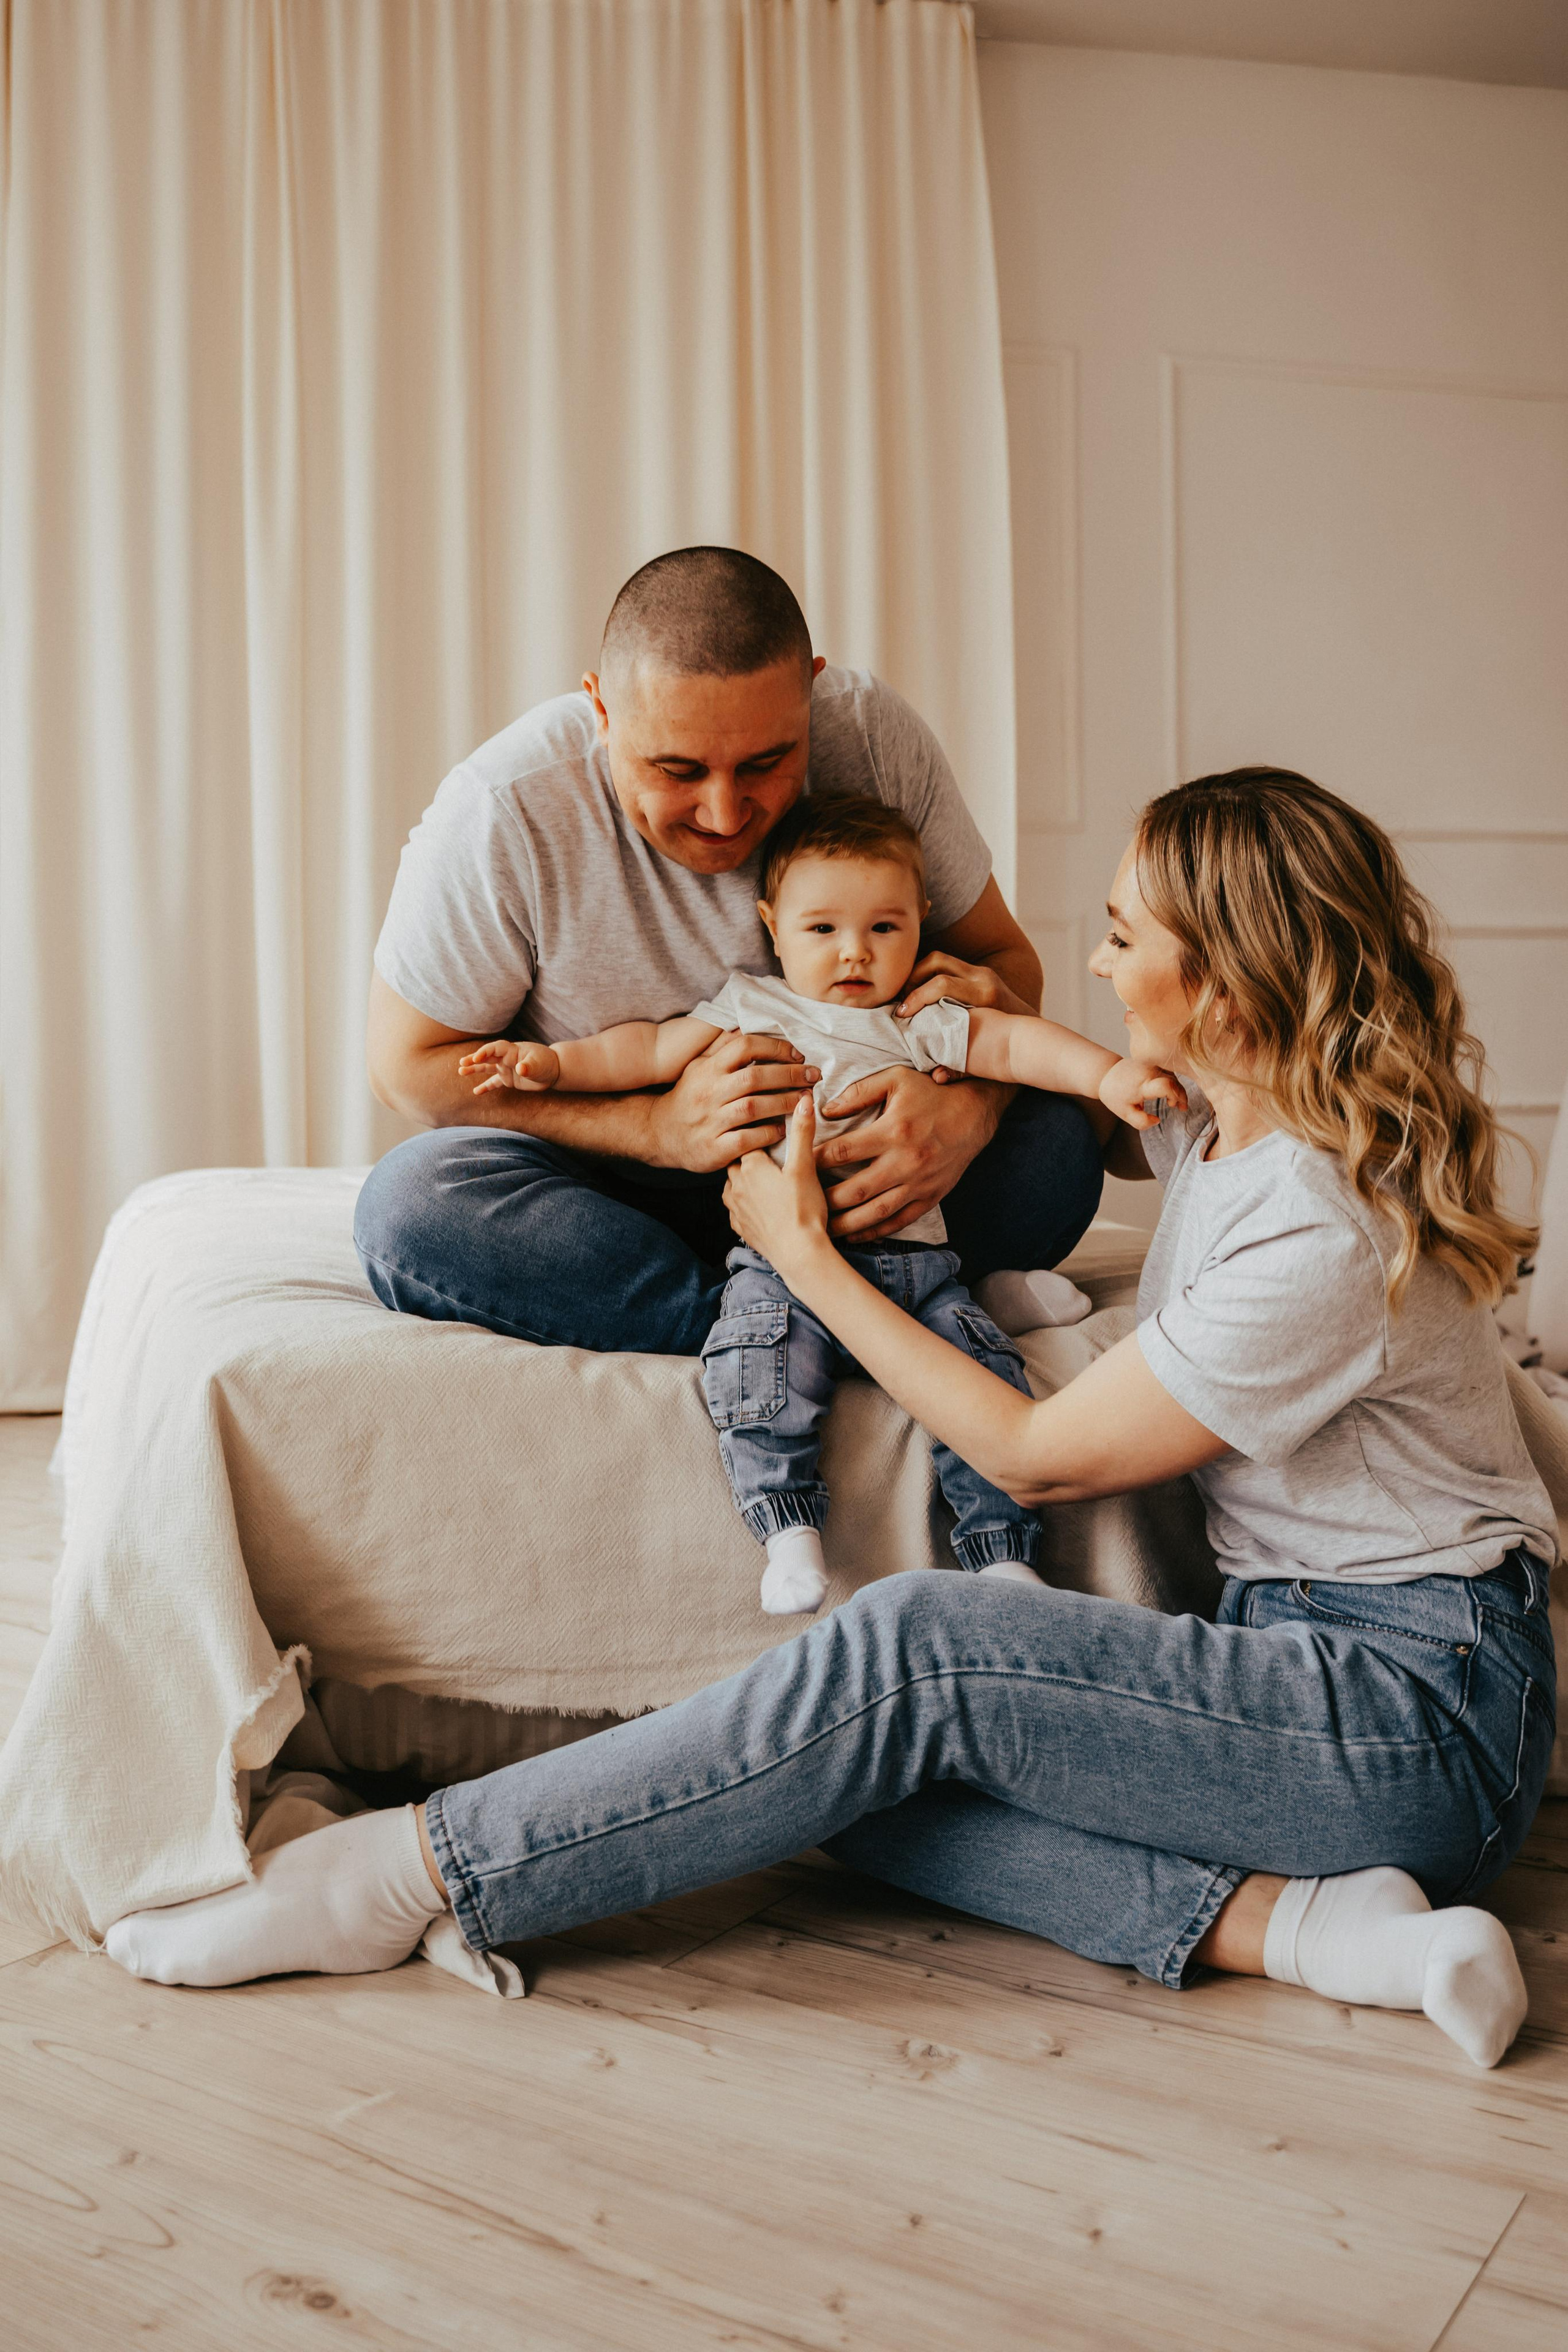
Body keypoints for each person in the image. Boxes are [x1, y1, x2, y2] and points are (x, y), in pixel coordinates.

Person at [105, 771, 1559, 2070]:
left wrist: (802, 1256)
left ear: (1228, 991)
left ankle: (405, 1878)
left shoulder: (1317, 1222)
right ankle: (1323, 1934)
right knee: (805, 1762)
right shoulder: (1225, 1109)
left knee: (906, 1650)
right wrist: (932, 1038)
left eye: (1125, 937)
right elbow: (1073, 1084)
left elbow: (1030, 1456)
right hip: (1302, 1665)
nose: (1096, 959)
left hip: (1413, 1709)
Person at [353, 546, 1104, 1357]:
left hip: (857, 1182)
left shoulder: (872, 737)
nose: (722, 814)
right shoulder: (505, 810)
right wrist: (656, 1128)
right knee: (411, 1207)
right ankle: (817, 1323)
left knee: (1059, 1144)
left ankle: (792, 1325)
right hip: (619, 1196)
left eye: (767, 763)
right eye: (676, 770)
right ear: (600, 710)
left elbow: (1004, 964)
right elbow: (408, 1069)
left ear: (811, 694)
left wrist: (966, 1112)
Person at [459, 792, 1183, 1615]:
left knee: (982, 1373)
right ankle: (788, 1530)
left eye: (885, 928)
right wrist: (549, 1067)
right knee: (756, 1371)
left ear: (921, 923)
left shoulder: (920, 1015)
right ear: (772, 925)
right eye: (822, 929)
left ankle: (1001, 1555)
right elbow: (645, 1049)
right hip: (781, 1267)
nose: (855, 954)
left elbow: (1018, 1043)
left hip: (915, 1265)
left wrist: (1107, 1076)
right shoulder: (752, 1007)